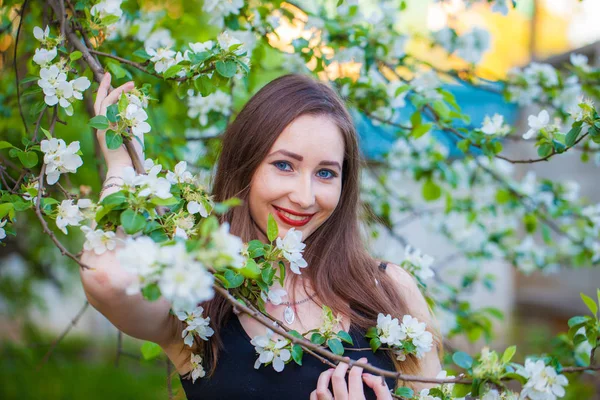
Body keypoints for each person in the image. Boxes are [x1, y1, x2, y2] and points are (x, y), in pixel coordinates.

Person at [81, 72, 442, 400]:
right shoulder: (199, 300)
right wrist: (121, 166)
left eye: (326, 173)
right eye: (284, 165)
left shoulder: (388, 291)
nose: (305, 196)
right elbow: (107, 277)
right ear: (245, 168)